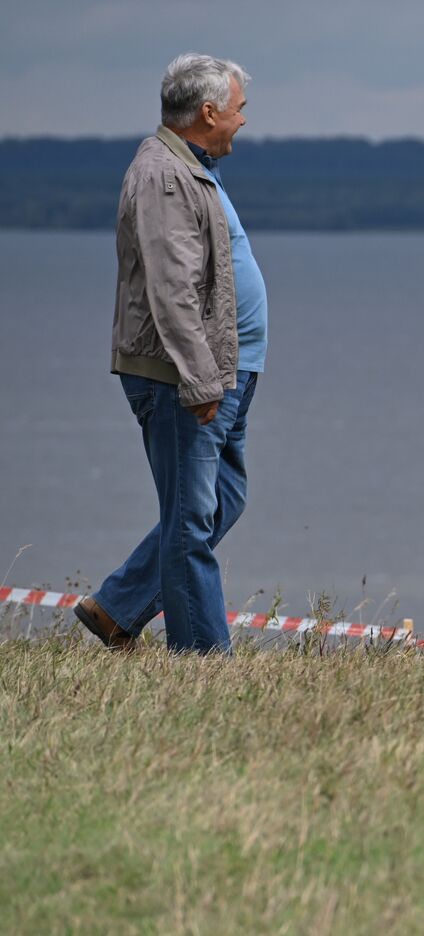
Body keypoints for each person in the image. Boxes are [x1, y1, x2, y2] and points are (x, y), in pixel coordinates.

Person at [74, 53, 266, 655]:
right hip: (188, 379)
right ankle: (204, 661)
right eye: (238, 110)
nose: (242, 121)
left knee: (221, 502)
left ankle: (116, 608)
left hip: (227, 373)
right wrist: (201, 379)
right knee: (189, 524)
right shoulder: (163, 176)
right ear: (208, 112)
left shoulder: (190, 167)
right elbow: (172, 288)